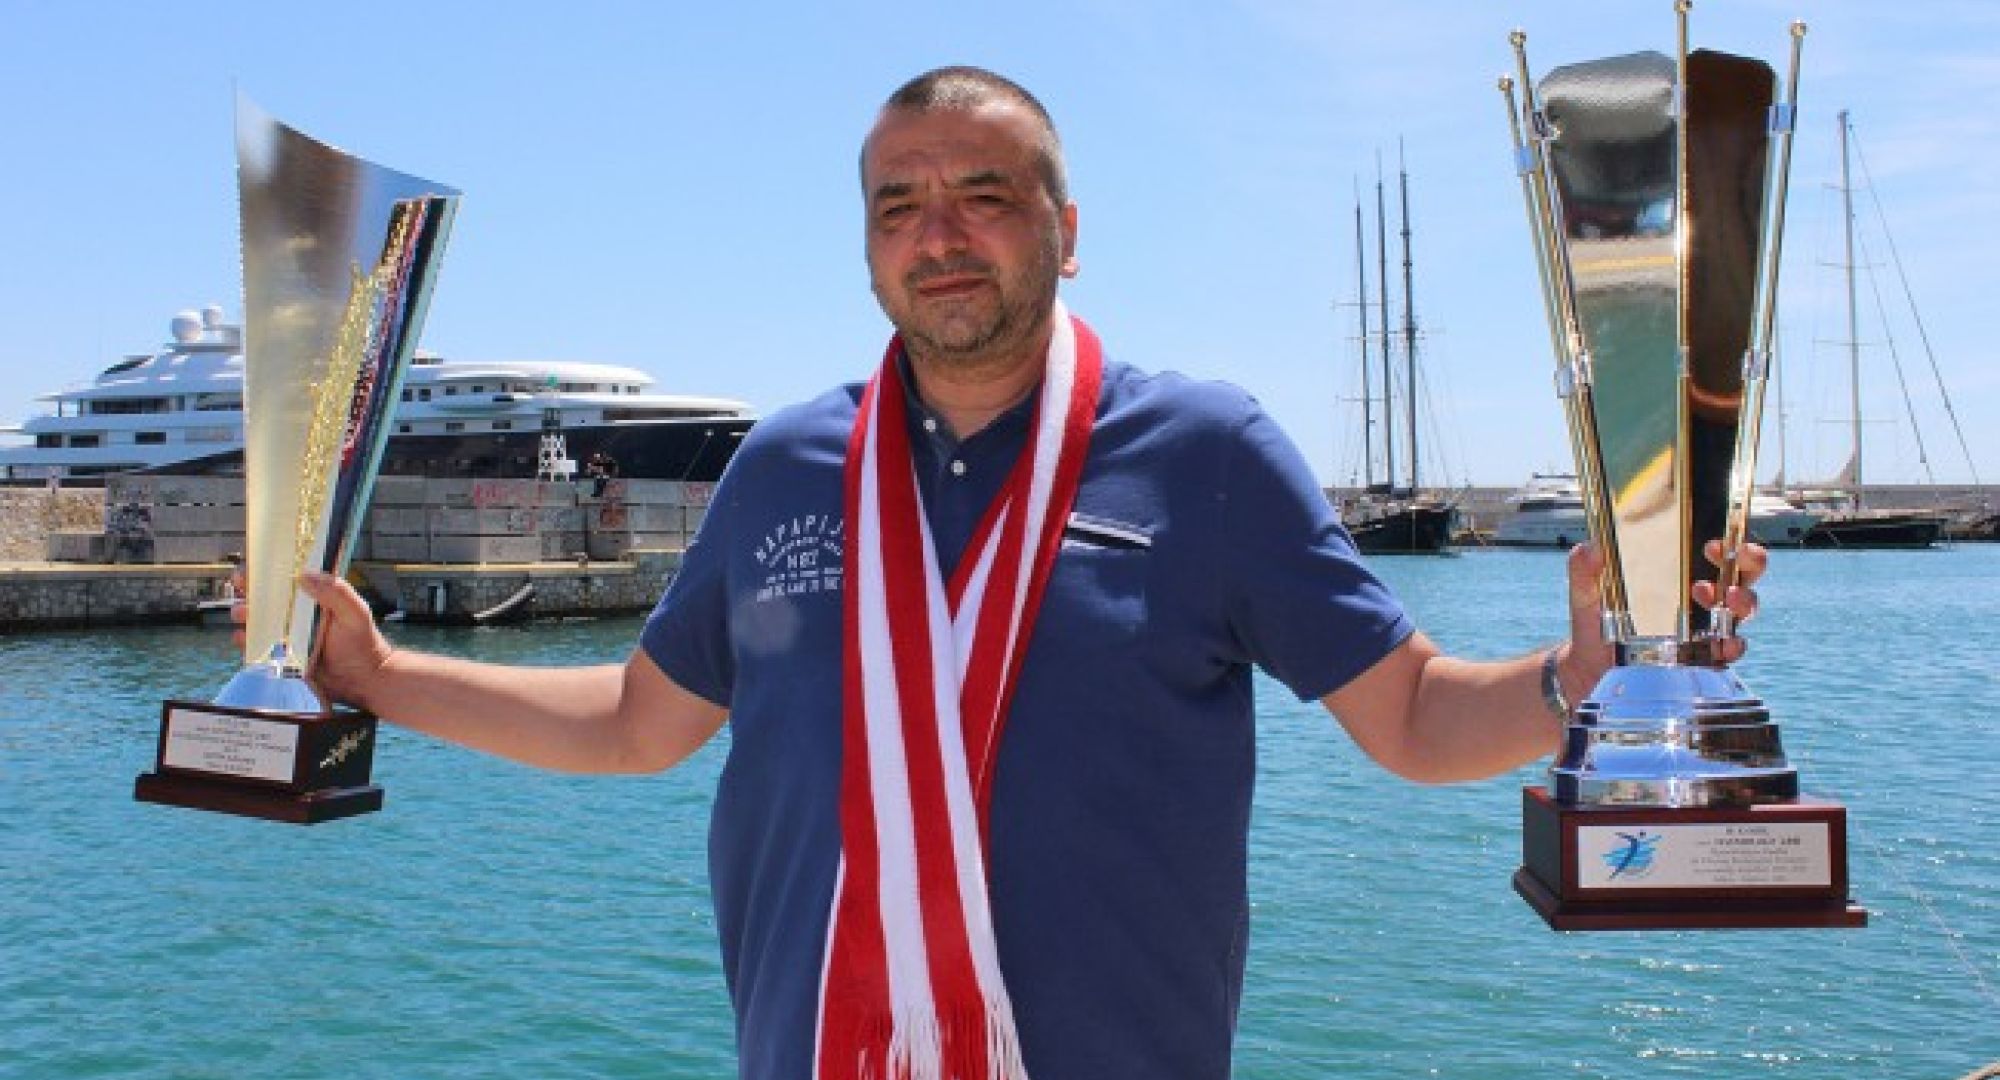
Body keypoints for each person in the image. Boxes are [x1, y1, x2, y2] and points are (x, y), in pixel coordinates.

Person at [285, 67, 1764, 1080]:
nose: (939, 237)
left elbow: (1418, 719)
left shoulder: (1207, 453)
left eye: (984, 195)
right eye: (898, 205)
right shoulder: (787, 463)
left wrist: (1588, 673)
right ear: (866, 246)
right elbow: (633, 724)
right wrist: (381, 677)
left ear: (1067, 228)